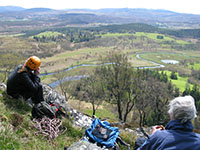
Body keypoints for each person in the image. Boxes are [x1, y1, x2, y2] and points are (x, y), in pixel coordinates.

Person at [136, 95, 200, 150]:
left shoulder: (158, 137)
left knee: (140, 141)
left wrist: (153, 136)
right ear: (192, 116)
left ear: (171, 114)